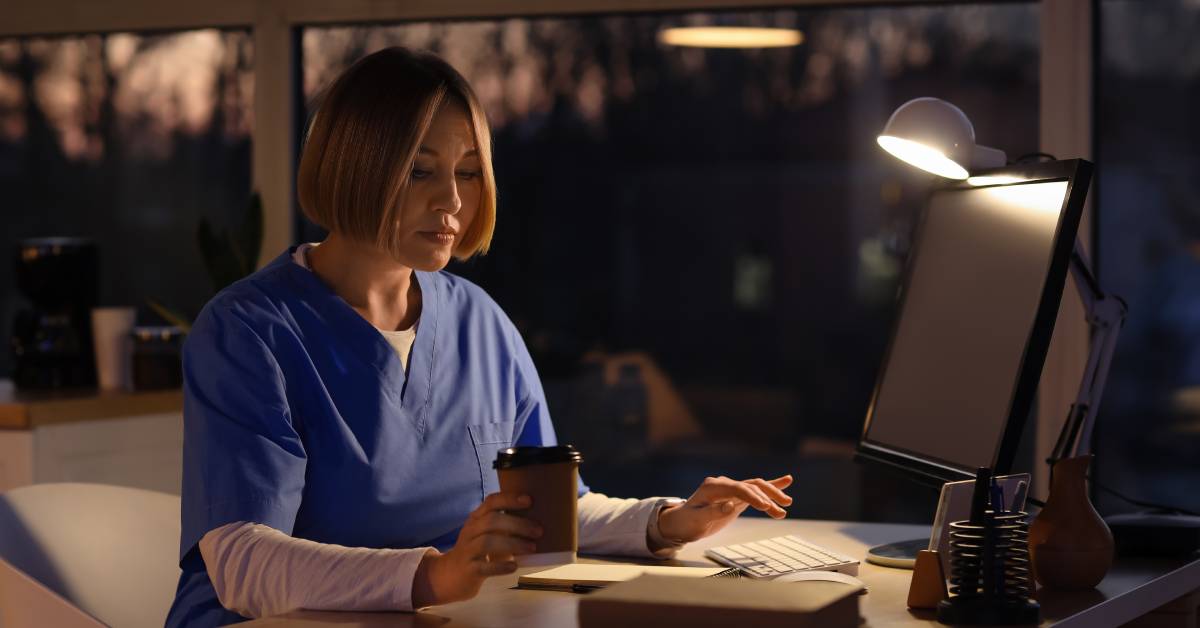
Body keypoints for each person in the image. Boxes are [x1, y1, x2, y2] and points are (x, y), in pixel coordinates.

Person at [165, 47, 793, 627]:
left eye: (468, 172)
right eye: (420, 171)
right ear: (352, 168)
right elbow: (243, 564)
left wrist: (667, 520)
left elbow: (549, 512)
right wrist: (437, 574)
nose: (453, 201)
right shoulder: (249, 331)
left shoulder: (480, 321)